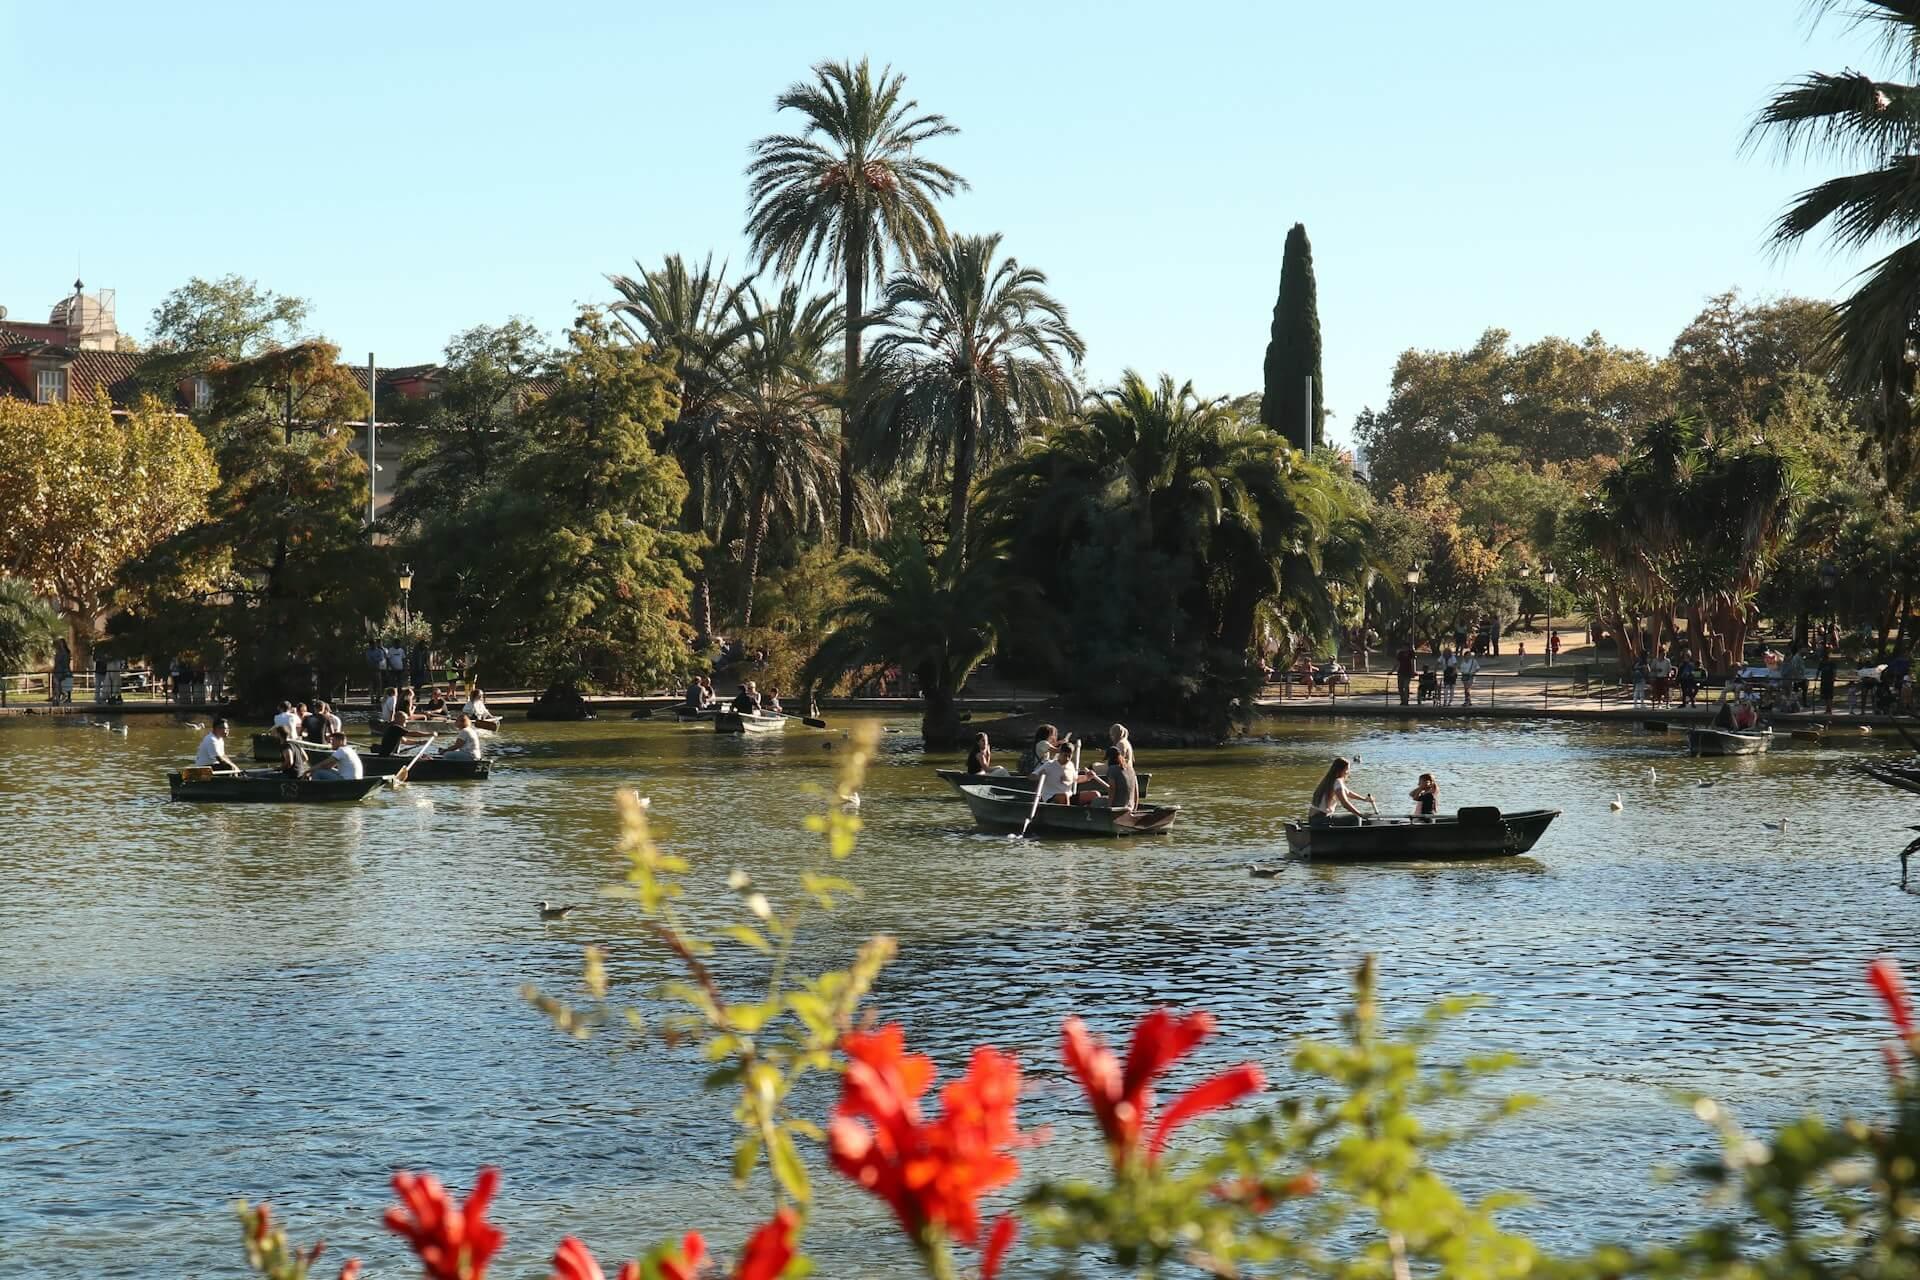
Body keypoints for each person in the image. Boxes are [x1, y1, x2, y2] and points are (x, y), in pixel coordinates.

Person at [1033, 740, 1104, 806]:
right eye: (1065, 755)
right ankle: (1068, 815)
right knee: (1064, 796)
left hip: (1069, 797)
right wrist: (1039, 775)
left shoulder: (1071, 765)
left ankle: (1088, 816)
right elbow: (1031, 776)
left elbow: (1076, 779)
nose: (1067, 758)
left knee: (1095, 794)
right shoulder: (1049, 764)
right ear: (1060, 753)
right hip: (1052, 797)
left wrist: (1087, 777)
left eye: (1069, 756)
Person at [1308, 757, 1374, 818]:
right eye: (1347, 769)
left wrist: (1364, 799)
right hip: (1321, 818)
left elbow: (1348, 793)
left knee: (1355, 816)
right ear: (1341, 770)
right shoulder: (1337, 782)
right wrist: (1360, 815)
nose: (1348, 772)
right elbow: (1345, 803)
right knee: (1355, 818)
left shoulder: (1330, 779)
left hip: (1314, 817)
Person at [1104, 723, 1140, 813]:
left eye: (1112, 734)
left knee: (1096, 800)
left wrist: (1108, 808)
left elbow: (1112, 789)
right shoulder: (1132, 771)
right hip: (1130, 806)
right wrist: (1135, 809)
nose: (1111, 737)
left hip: (1118, 807)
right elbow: (1136, 793)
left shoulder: (1120, 743)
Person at [51, 638, 72, 705]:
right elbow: (56, 662)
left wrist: (66, 670)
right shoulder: (58, 652)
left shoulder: (64, 653)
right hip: (57, 670)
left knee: (58, 685)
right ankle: (57, 699)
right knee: (57, 685)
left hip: (61, 671)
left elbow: (65, 662)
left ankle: (60, 697)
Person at [1395, 641, 1416, 706]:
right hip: (1401, 672)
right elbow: (1397, 662)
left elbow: (1413, 662)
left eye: (1406, 647)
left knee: (1406, 686)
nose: (1404, 648)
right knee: (1400, 687)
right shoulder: (1400, 653)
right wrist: (1392, 671)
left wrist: (1413, 671)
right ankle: (1402, 700)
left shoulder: (1411, 653)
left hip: (1408, 672)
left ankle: (1406, 700)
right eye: (1403, 647)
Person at [1820, 649, 1838, 716]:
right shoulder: (1822, 662)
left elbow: (1834, 671)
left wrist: (1833, 678)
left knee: (1829, 696)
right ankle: (1827, 709)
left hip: (1829, 681)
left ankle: (1829, 709)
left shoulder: (1832, 663)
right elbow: (1819, 670)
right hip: (1824, 680)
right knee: (1825, 696)